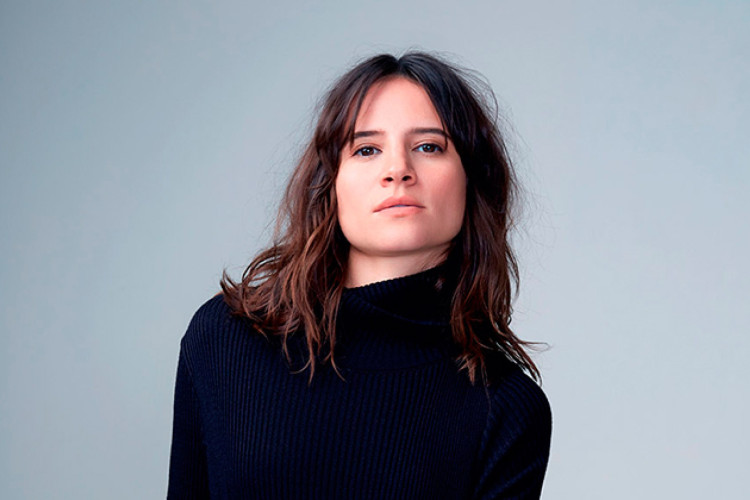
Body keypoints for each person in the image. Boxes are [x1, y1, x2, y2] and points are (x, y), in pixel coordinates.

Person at [167, 51, 552, 499]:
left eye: (429, 146)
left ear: (472, 179)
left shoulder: (505, 407)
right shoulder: (224, 338)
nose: (397, 170)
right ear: (330, 183)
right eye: (366, 149)